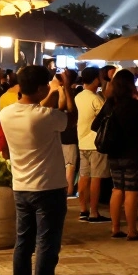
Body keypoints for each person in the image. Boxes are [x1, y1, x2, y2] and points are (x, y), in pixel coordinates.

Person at [0, 66, 74, 275]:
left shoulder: (6, 113)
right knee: (46, 245)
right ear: (42, 87)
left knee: (23, 243)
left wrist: (52, 91)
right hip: (48, 187)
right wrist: (64, 88)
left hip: (21, 186)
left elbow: (39, 108)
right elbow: (69, 119)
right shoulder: (45, 116)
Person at [101, 69, 138, 241]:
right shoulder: (136, 106)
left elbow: (96, 125)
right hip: (133, 153)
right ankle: (132, 230)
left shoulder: (110, 104)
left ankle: (115, 228)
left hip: (113, 153)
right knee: (131, 191)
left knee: (117, 189)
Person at [74, 67, 109, 222]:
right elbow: (106, 116)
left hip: (82, 142)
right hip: (96, 143)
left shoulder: (79, 97)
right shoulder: (95, 98)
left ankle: (83, 210)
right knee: (96, 178)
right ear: (96, 79)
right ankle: (94, 212)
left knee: (84, 177)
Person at [59, 69, 80, 197]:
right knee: (70, 166)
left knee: (67, 166)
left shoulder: (71, 93)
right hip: (69, 137)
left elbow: (67, 109)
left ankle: (67, 191)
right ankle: (68, 191)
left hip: (63, 136)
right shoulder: (74, 93)